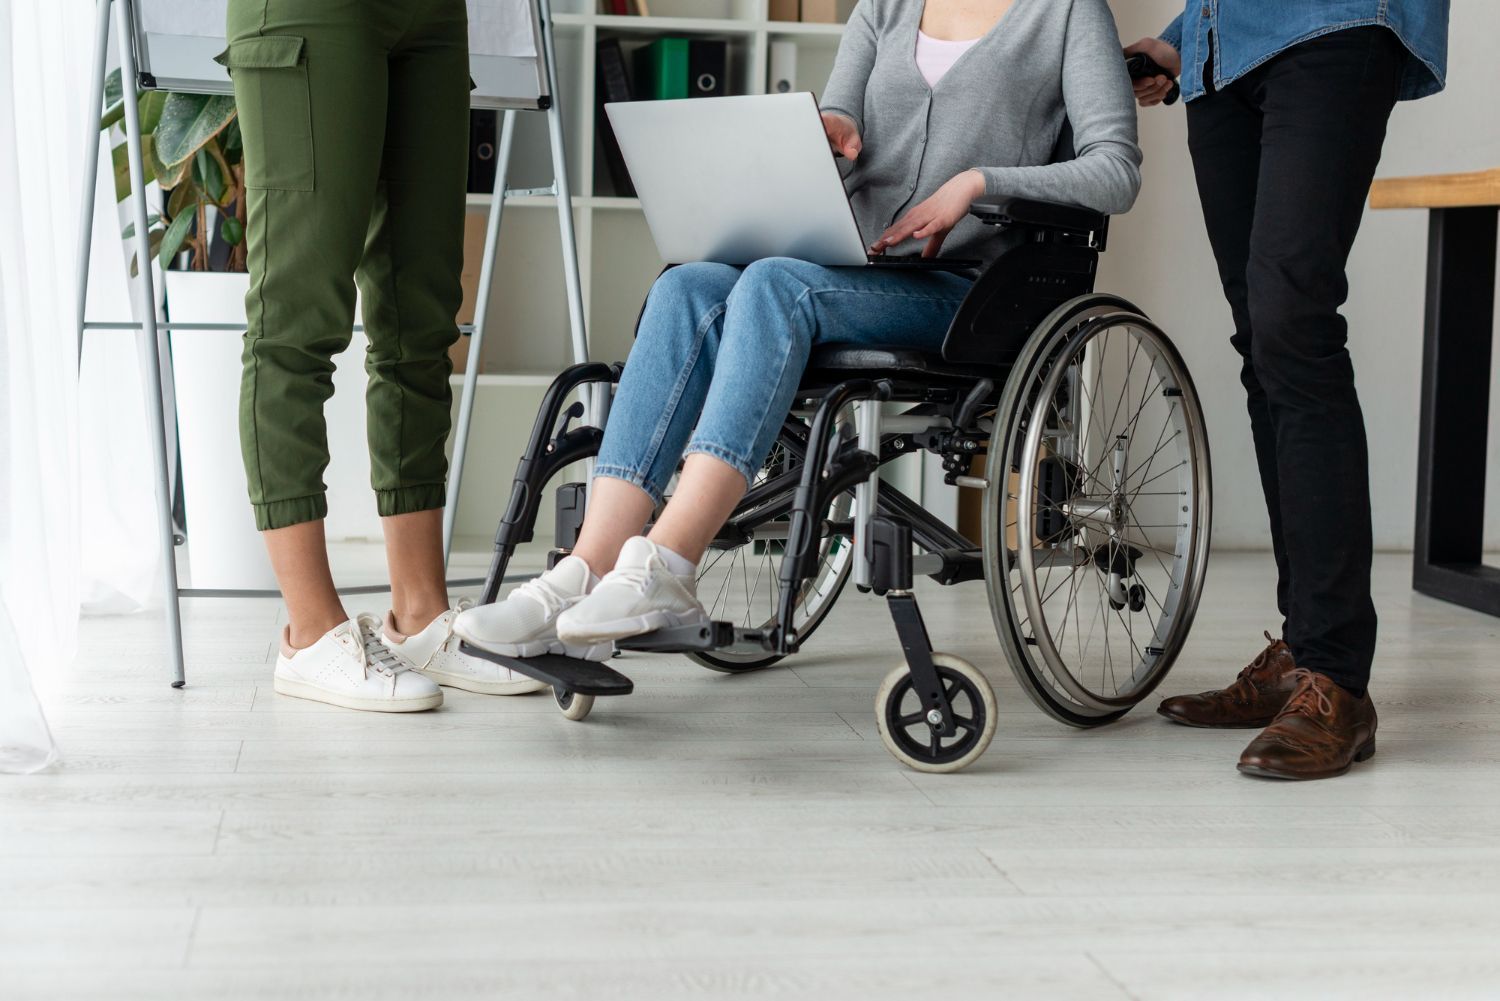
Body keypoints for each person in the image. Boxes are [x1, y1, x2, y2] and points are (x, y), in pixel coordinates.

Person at [456, 0, 1142, 660]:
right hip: (852, 264)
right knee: (686, 286)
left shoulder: (1066, 11)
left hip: (969, 289)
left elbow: (1115, 170)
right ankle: (584, 571)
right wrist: (823, 135)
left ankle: (668, 564)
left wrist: (976, 181)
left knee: (773, 286)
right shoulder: (886, 6)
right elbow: (841, 117)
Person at [1126, 1, 1450, 779]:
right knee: (1263, 346)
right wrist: (1181, 39)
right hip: (1219, 54)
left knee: (1293, 327)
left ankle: (1337, 678)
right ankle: (1302, 651)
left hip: (1331, 23)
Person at [220, 0, 545, 712]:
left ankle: (420, 614)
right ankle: (309, 630)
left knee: (422, 321)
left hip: (432, 14)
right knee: (297, 317)